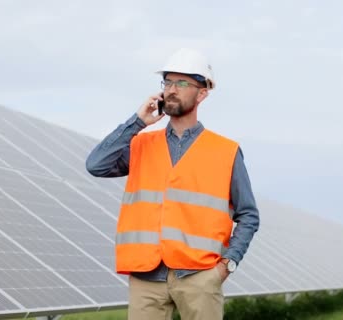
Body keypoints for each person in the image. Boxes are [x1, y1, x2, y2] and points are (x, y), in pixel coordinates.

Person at [86, 48, 260, 320]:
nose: (172, 90)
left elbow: (248, 215)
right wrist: (137, 122)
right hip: (146, 276)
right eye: (167, 82)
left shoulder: (225, 151)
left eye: (182, 83)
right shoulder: (140, 143)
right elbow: (96, 165)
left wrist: (227, 265)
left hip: (199, 276)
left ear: (202, 93)